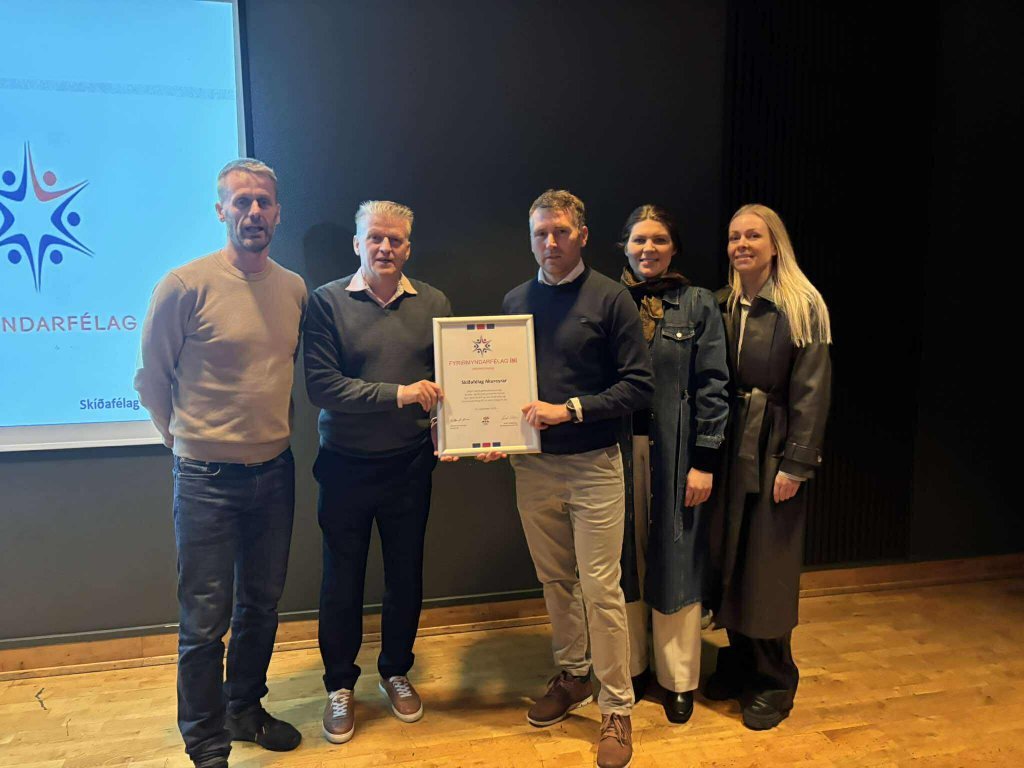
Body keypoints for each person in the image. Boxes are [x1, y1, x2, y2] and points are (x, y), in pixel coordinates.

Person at [134, 159, 307, 768]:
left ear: (278, 212)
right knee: (204, 622)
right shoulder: (184, 285)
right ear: (221, 210)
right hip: (204, 480)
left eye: (263, 202)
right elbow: (152, 379)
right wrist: (183, 441)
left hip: (274, 473)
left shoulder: (294, 289)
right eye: (241, 202)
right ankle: (206, 743)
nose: (253, 212)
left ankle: (244, 710)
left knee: (261, 607)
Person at [499, 189, 654, 768]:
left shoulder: (611, 298)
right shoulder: (515, 300)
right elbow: (500, 382)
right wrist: (491, 434)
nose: (550, 242)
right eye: (540, 233)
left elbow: (639, 386)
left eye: (561, 231)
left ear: (582, 235)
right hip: (533, 466)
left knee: (601, 588)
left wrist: (571, 410)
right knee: (555, 581)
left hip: (594, 465)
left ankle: (617, 707)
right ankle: (573, 675)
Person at [303, 200, 452, 745]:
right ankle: (340, 685)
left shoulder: (434, 302)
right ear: (357, 243)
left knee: (405, 575)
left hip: (409, 465)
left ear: (408, 247)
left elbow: (448, 382)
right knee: (341, 580)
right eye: (375, 238)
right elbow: (323, 387)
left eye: (395, 240)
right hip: (344, 465)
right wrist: (400, 394)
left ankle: (395, 670)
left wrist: (453, 429)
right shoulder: (325, 302)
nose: (385, 248)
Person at [705, 203, 832, 730]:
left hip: (774, 444)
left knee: (768, 564)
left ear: (774, 244)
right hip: (731, 440)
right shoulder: (724, 302)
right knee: (731, 555)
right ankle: (740, 661)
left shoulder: (802, 305)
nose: (742, 244)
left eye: (753, 235)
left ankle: (775, 678)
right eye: (734, 236)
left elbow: (812, 390)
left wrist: (796, 463)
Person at [616, 205, 729, 725]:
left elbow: (713, 385)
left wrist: (704, 460)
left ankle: (678, 679)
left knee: (676, 555)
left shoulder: (699, 303)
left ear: (674, 247)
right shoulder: (607, 301)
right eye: (639, 240)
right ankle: (631, 667)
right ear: (625, 245)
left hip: (677, 452)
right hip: (616, 451)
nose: (648, 249)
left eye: (659, 240)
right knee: (625, 559)